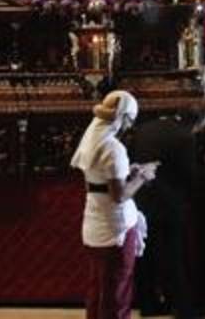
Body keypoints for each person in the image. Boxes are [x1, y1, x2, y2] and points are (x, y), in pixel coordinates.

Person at [70, 91, 156, 319]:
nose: (129, 126)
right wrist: (143, 176)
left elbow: (97, 184)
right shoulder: (113, 148)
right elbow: (119, 195)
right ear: (123, 117)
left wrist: (129, 172)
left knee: (98, 289)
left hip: (94, 223)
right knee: (118, 292)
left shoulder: (91, 141)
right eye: (130, 120)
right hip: (115, 228)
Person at [129, 108, 204, 317]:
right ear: (198, 124)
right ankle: (182, 307)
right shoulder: (185, 137)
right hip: (169, 204)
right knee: (173, 256)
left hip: (141, 199)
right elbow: (190, 175)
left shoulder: (144, 129)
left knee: (145, 256)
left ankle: (148, 304)